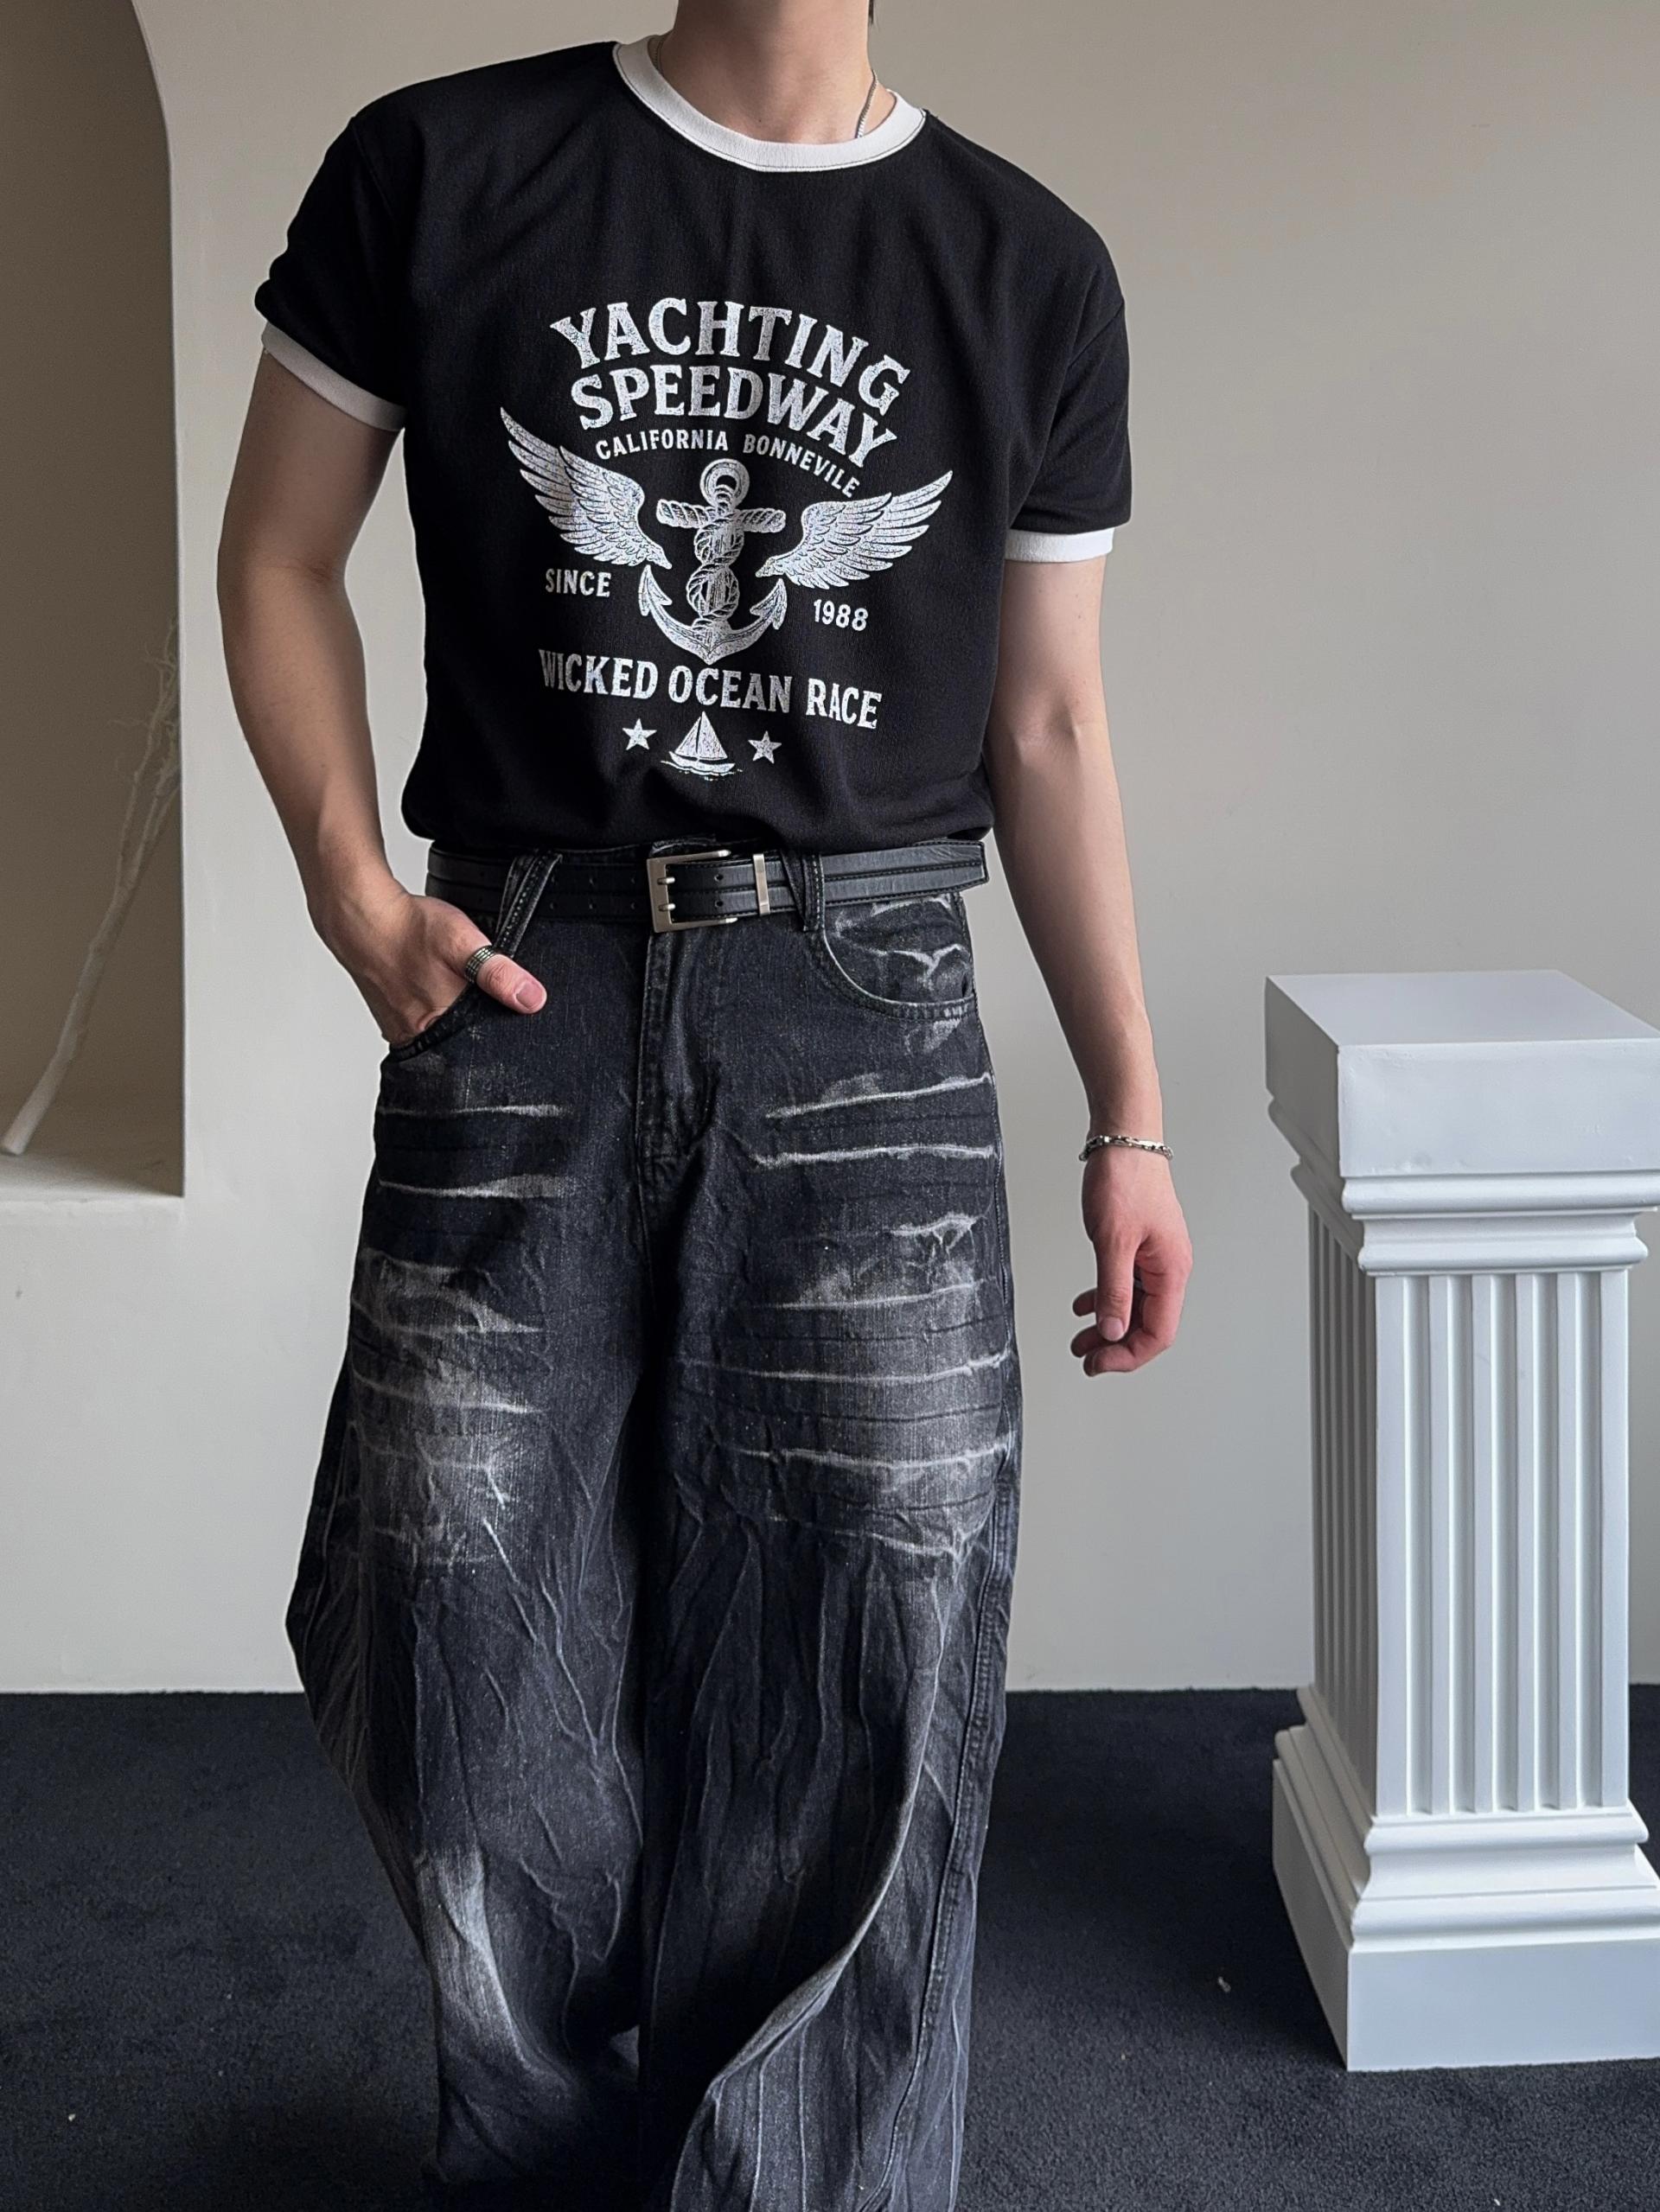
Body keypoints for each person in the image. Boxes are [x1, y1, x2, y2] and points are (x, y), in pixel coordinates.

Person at [217, 3, 1191, 2205]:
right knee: (458, 1641)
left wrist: (1129, 1109)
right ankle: (553, 2154)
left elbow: (1046, 723)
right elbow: (275, 551)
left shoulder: (1026, 265)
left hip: (868, 1000)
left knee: (866, 1650)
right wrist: (355, 891)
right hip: (525, 971)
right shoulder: (438, 168)